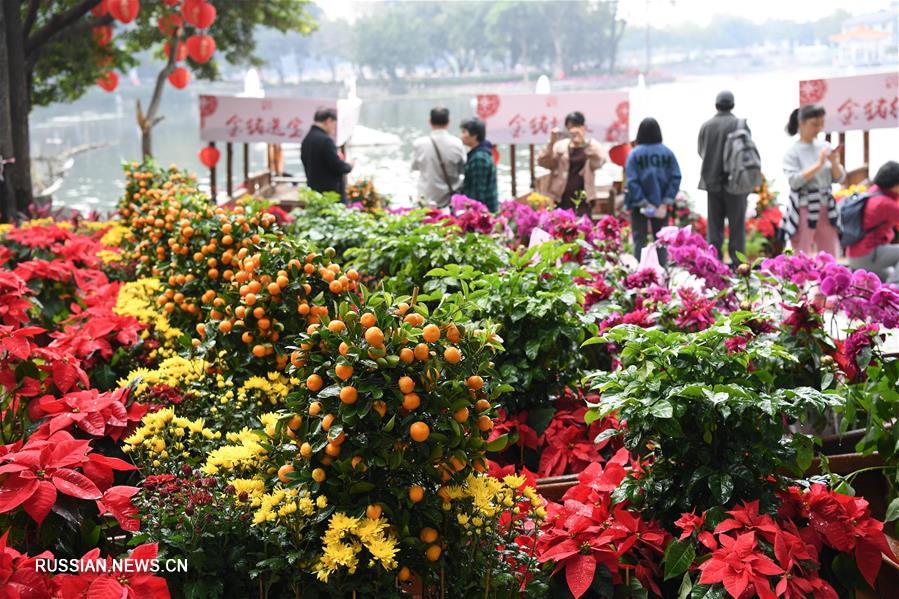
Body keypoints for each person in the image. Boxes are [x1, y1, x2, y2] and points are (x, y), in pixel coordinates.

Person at [782, 104, 845, 256]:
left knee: (829, 255)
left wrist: (835, 162)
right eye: (814, 124)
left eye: (821, 124)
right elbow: (794, 181)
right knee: (801, 255)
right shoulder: (792, 152)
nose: (818, 128)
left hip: (826, 207)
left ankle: (830, 279)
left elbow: (840, 178)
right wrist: (819, 164)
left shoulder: (825, 146)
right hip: (804, 208)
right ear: (801, 124)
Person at [698, 90, 751, 265]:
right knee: (737, 228)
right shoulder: (739, 125)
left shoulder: (706, 126)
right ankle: (738, 266)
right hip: (736, 182)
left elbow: (701, 152)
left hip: (712, 182)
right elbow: (747, 154)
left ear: (716, 105)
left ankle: (714, 264)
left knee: (714, 228)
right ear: (732, 105)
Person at [624, 117, 681, 264]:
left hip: (639, 206)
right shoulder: (667, 153)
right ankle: (662, 274)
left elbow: (632, 181)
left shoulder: (634, 154)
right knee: (662, 242)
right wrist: (665, 202)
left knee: (639, 241)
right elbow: (675, 177)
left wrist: (644, 203)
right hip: (661, 205)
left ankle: (639, 276)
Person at [537, 111, 607, 215]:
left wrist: (583, 143)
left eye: (576, 126)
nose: (573, 130)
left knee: (584, 228)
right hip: (561, 198)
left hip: (584, 198)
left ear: (583, 127)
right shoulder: (560, 146)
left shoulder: (591, 145)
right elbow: (543, 162)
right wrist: (551, 143)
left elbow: (600, 161)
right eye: (570, 127)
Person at [846, 161, 899, 283]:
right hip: (867, 255)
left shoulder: (873, 192)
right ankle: (894, 291)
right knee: (892, 280)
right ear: (895, 184)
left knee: (887, 276)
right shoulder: (885, 203)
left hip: (854, 255)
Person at [411, 107, 466, 208]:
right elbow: (462, 170)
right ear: (448, 121)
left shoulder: (419, 144)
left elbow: (415, 167)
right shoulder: (457, 144)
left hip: (426, 200)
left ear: (429, 121)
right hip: (450, 201)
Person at [301, 108, 354, 201]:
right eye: (334, 125)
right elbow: (338, 166)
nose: (334, 129)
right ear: (328, 121)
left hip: (314, 191)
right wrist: (349, 165)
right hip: (330, 194)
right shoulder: (325, 141)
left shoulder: (308, 138)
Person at [459, 117, 498, 212]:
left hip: (483, 214)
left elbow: (478, 193)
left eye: (464, 132)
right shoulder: (479, 153)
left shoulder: (479, 158)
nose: (461, 135)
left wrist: (475, 215)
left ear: (475, 135)